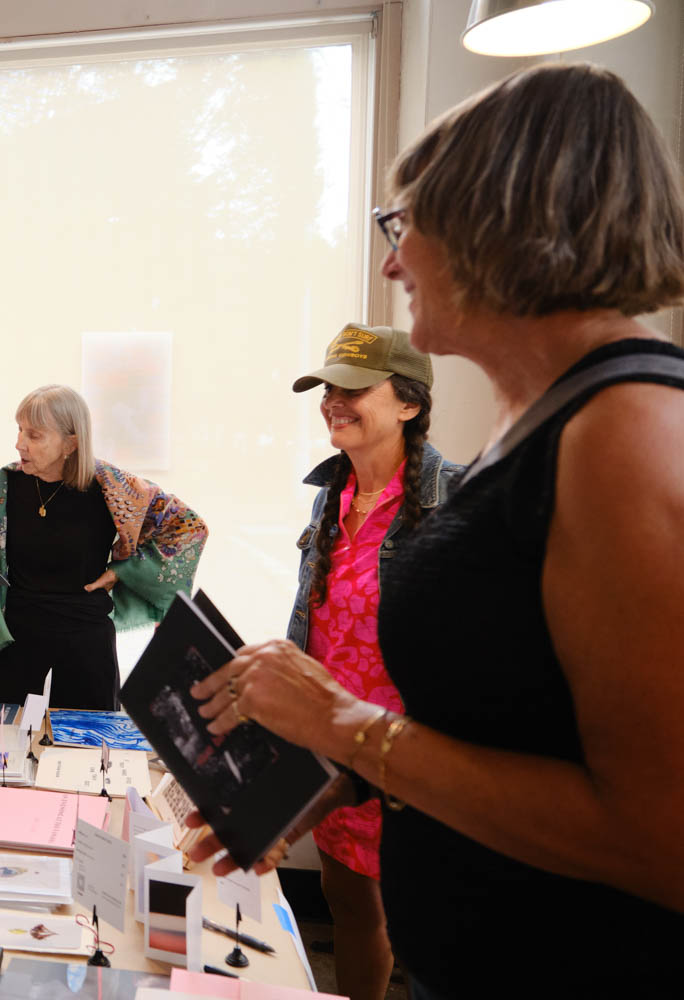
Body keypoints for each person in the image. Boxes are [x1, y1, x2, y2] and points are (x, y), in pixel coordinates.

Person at [187, 63, 684, 996]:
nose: (393, 262)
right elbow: (502, 721)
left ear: (502, 221)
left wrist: (346, 725)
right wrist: (326, 782)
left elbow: (663, 835)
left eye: (404, 223)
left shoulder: (627, 436)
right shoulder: (544, 423)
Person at [285, 324, 459, 1000]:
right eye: (328, 388)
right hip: (334, 751)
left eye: (354, 389)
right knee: (351, 911)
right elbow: (316, 626)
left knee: (427, 937)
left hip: (405, 756)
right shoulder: (330, 495)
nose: (334, 400)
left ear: (409, 403)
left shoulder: (454, 502)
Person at [0, 385, 207, 711]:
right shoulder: (8, 482)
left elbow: (188, 528)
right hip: (17, 644)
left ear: (70, 444)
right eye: (19, 430)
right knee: (9, 738)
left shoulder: (112, 487)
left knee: (85, 741)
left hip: (86, 646)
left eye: (34, 435)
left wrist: (124, 571)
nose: (19, 443)